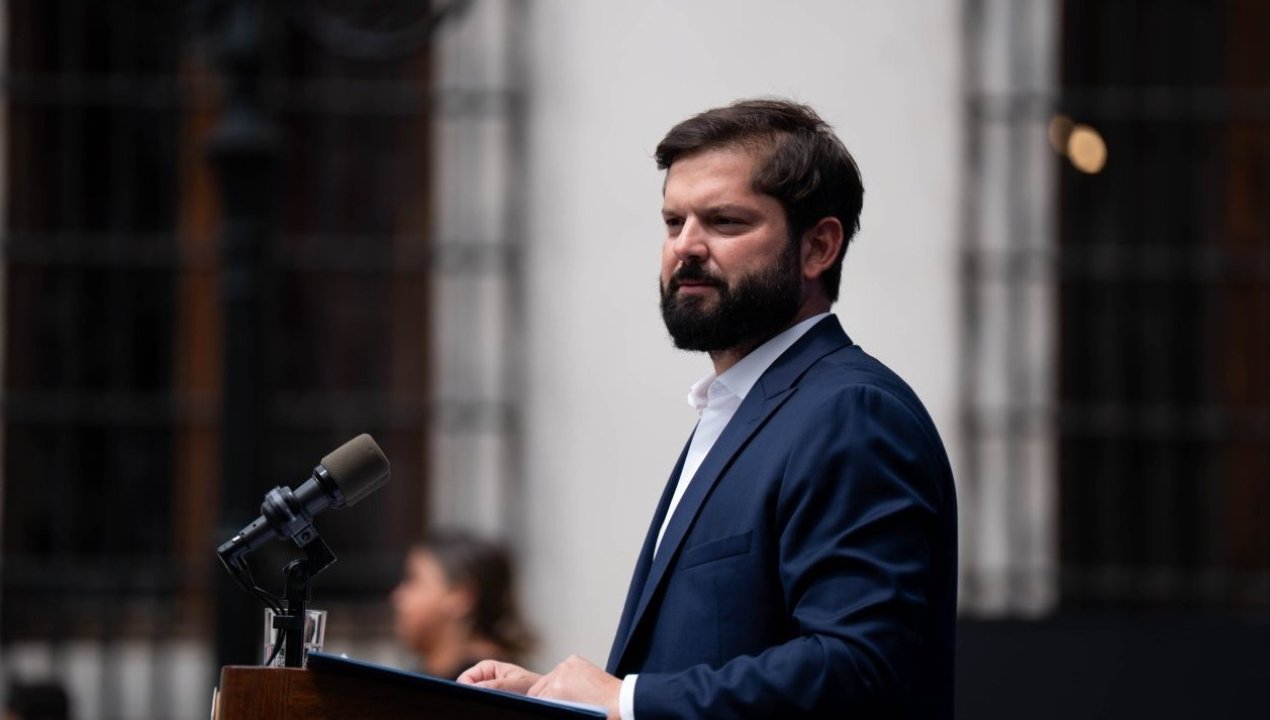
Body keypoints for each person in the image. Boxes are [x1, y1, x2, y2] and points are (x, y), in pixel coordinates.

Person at [459, 98, 957, 719]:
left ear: (818, 247)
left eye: (724, 222)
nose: (685, 247)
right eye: (674, 222)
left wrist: (625, 699)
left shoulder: (851, 413)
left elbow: (856, 666)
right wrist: (563, 702)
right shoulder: (742, 408)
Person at [390, 529, 535, 680]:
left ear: (460, 596)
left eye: (412, 580)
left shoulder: (486, 686)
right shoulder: (428, 677)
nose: (398, 596)